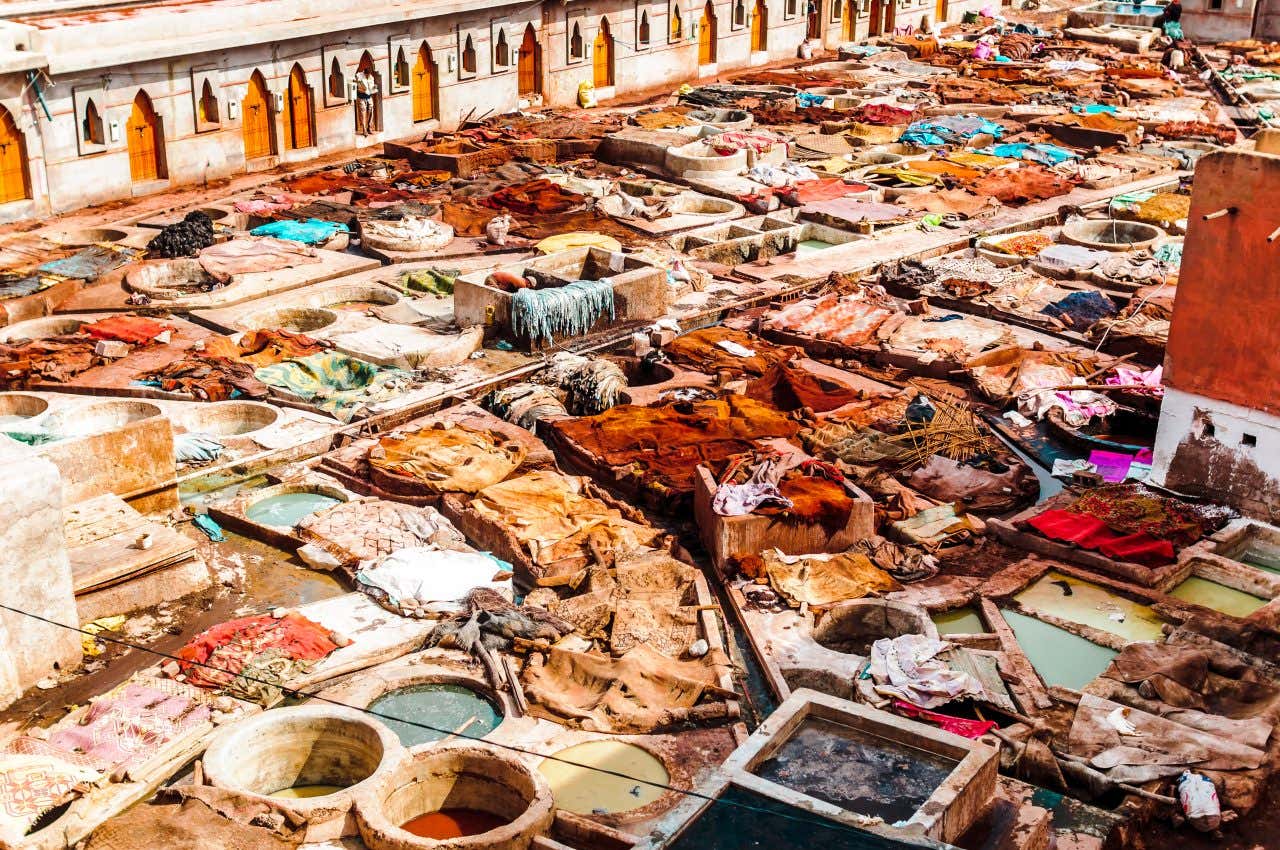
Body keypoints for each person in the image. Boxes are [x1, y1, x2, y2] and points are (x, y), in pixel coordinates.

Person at [353, 67, 378, 135]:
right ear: (364, 72)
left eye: (369, 74)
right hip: (361, 97)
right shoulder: (359, 76)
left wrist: (374, 87)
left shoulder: (371, 77)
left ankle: (369, 127)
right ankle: (364, 129)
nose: (368, 75)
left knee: (371, 112)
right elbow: (354, 83)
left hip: (369, 97)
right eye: (367, 74)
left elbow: (371, 88)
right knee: (363, 113)